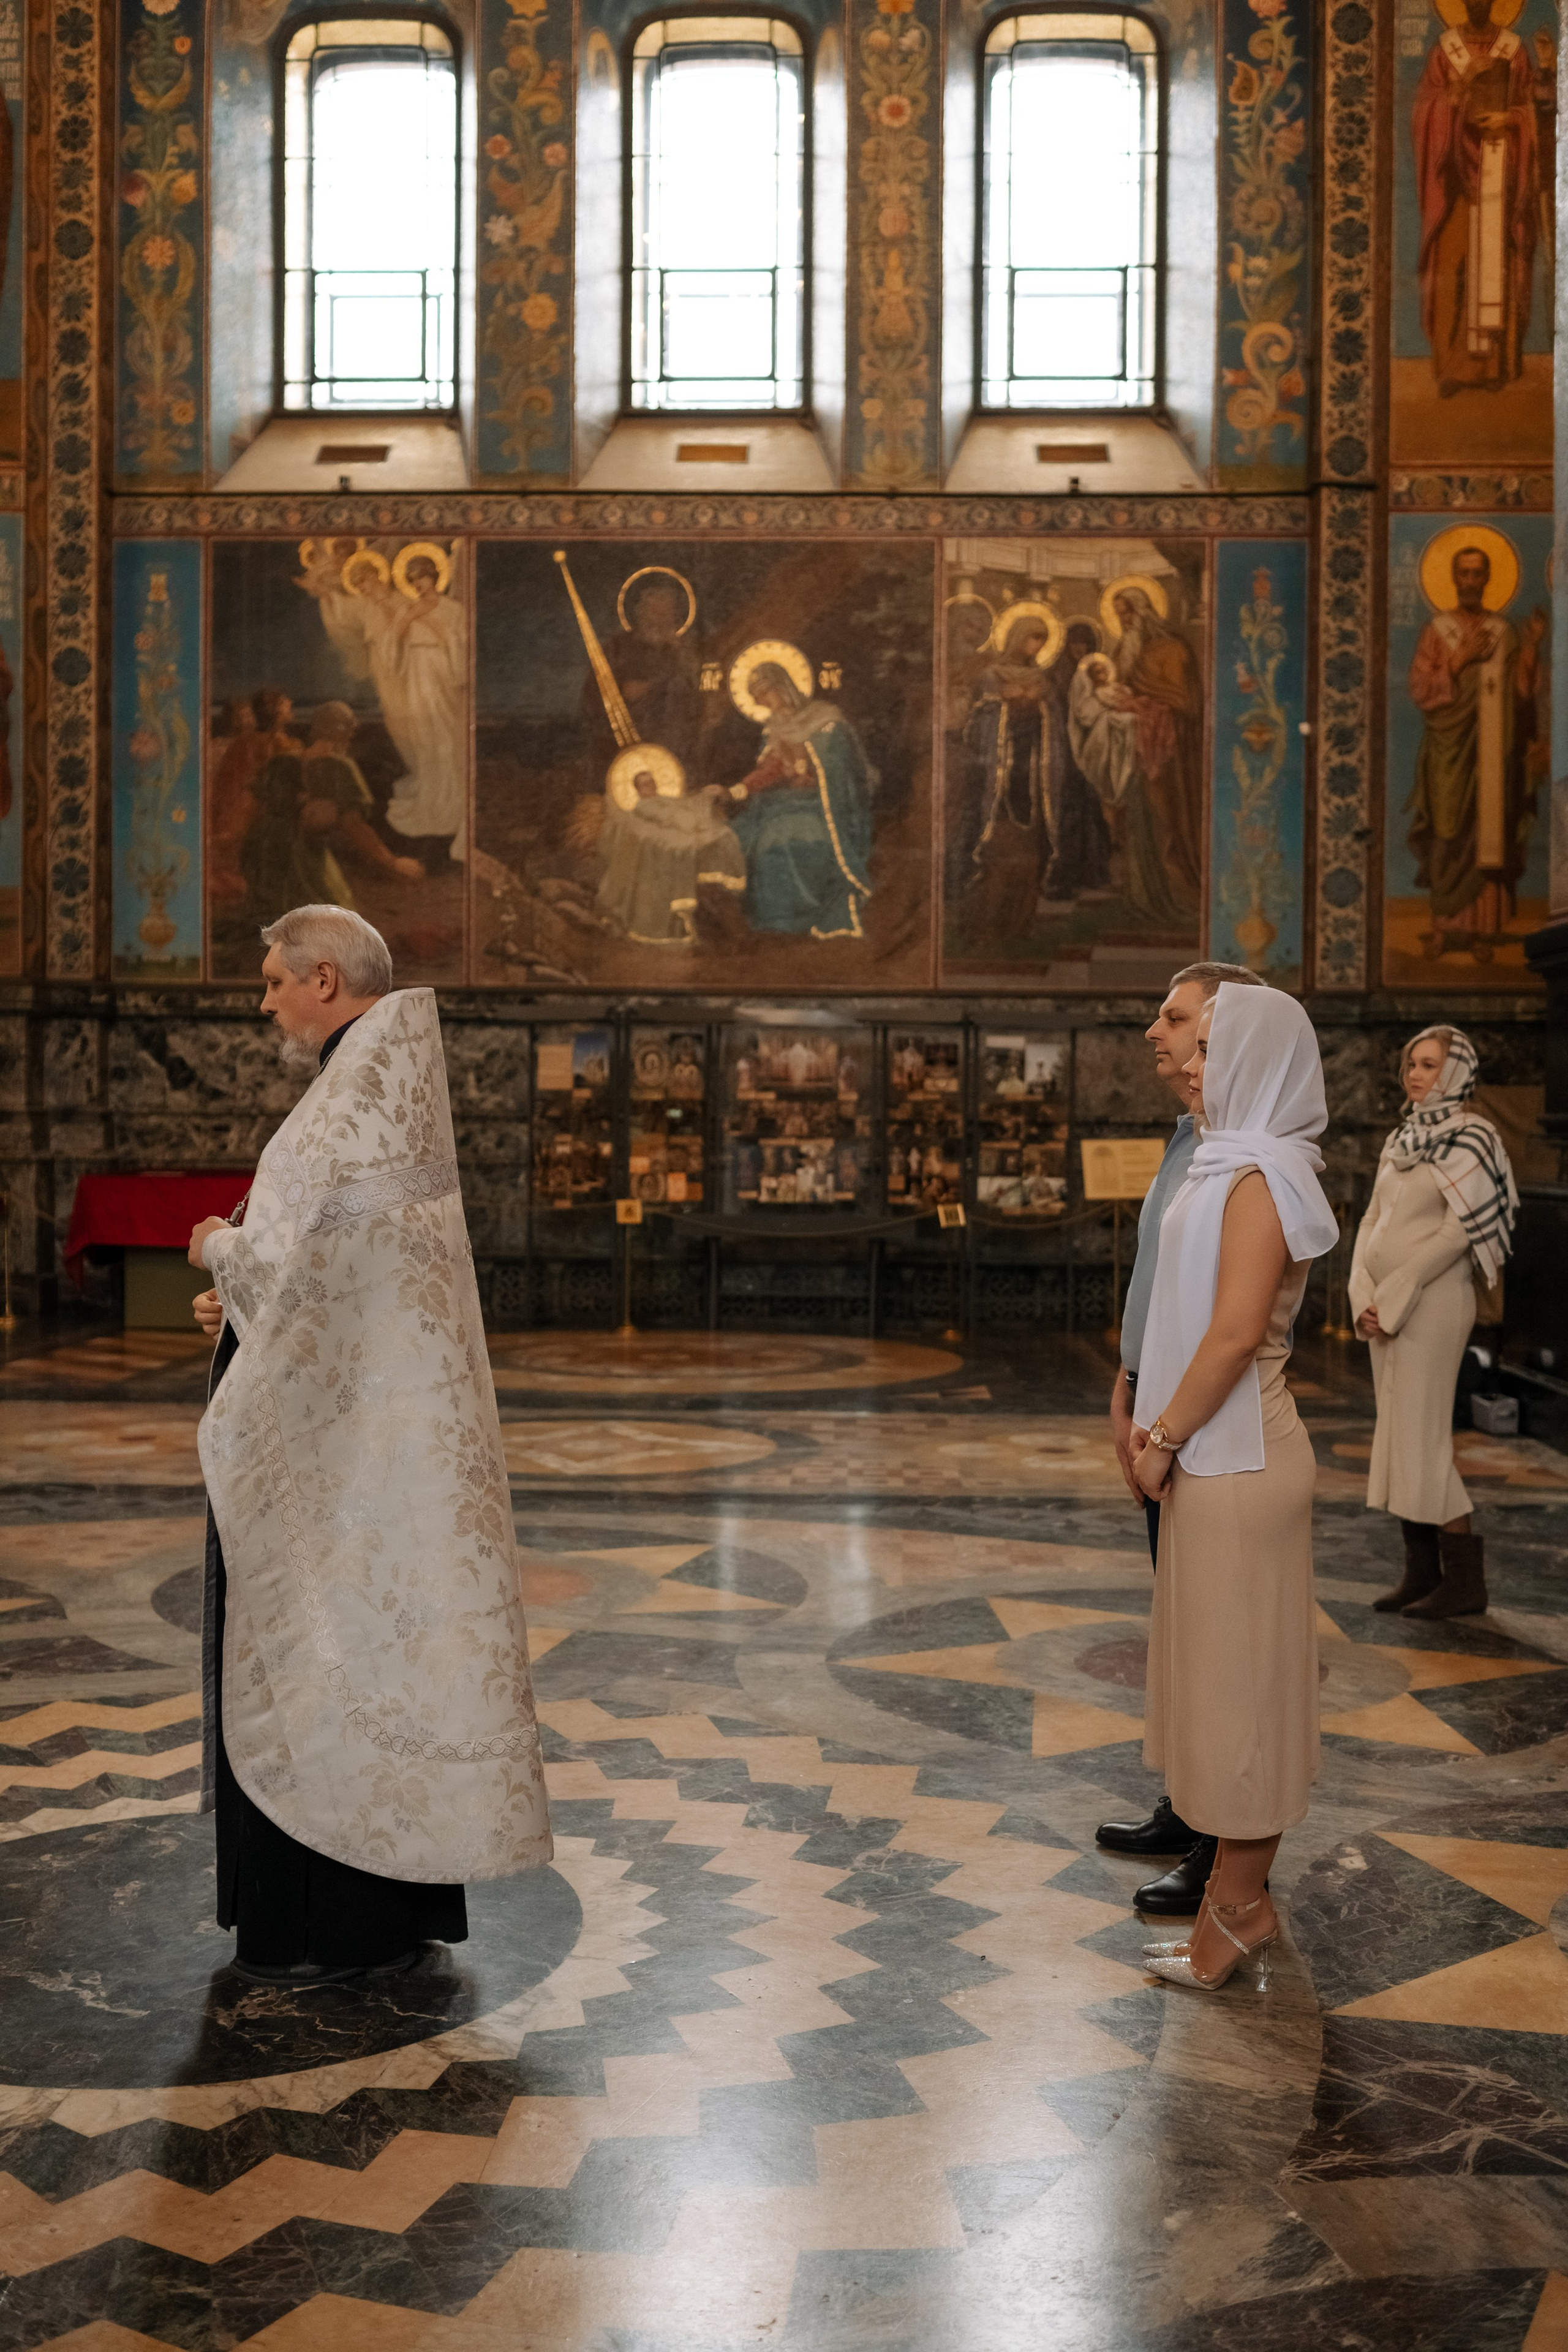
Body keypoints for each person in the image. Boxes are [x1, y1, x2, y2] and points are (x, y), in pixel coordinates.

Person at [187, 906, 550, 1985]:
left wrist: (216, 1250)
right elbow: (336, 1285)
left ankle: (320, 1923)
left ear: (326, 978)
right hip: (375, 1447)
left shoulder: (351, 1105)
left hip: (355, 1463)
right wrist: (245, 1303)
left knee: (319, 1647)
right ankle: (380, 1917)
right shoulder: (377, 1093)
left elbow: (294, 1271)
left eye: (273, 983)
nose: (265, 1002)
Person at [1131, 984, 1340, 1993]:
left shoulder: (1261, 1174)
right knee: (1220, 1688)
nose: (1192, 1063)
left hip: (1238, 1453)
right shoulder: (1220, 1164)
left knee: (1242, 1700)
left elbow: (1232, 1334)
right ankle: (1238, 1902)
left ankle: (1241, 1910)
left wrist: (1163, 1435)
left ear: (1258, 1060)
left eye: (1212, 1047)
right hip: (1213, 1455)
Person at [1097, 961, 1267, 1920]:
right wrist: (1125, 1384)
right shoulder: (1184, 1138)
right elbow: (1152, 1281)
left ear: (1224, 1028)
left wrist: (1164, 1421)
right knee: (1178, 1625)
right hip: (1155, 1401)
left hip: (1206, 1426)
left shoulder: (1245, 1156)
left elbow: (1231, 1321)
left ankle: (1219, 1843)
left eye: (1174, 1016)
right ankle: (1185, 1801)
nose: (1154, 1031)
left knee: (1217, 1642)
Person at [1349, 1025, 1518, 1619]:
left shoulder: (1475, 1138)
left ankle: (1464, 1582)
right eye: (1410, 1065)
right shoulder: (1401, 1138)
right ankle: (1421, 1573)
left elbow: (1455, 1234)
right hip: (1386, 1306)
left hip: (1434, 1306)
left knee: (1422, 1441)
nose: (1414, 1075)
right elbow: (1371, 1220)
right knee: (1397, 1437)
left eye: (1428, 1065)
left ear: (1456, 1074)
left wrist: (1393, 1298)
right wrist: (1361, 1293)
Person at [1406, 543, 1545, 960]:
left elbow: (1523, 694)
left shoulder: (1506, 632)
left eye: (1477, 574)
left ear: (1488, 579)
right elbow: (1419, 687)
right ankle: (1445, 928)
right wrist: (1457, 662)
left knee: (1489, 833)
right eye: (1463, 573)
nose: (1470, 582)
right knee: (1448, 832)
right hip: (1447, 753)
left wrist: (1534, 646)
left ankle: (1484, 930)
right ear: (1454, 578)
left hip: (1493, 754)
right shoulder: (1437, 631)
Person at [1411, 0, 1552, 398]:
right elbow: (1424, 107)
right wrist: (1455, 96)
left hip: (1503, 176)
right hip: (1456, 181)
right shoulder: (1445, 51)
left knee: (1498, 269)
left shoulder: (1514, 49)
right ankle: (1454, 370)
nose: (1476, 3)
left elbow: (1533, 105)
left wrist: (1513, 120)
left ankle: (1496, 366)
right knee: (1454, 268)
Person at [1068, 587, 1204, 930]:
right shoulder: (1125, 651)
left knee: (1164, 823)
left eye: (1128, 612)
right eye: (1119, 614)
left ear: (1145, 611)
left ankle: (1173, 895)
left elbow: (1187, 702)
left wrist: (1144, 698)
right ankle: (1141, 898)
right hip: (1134, 752)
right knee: (1136, 824)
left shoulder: (1170, 649)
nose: (1124, 620)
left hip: (1166, 757)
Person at [725, 658, 873, 938]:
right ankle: (774, 920)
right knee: (752, 837)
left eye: (764, 694)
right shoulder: (774, 730)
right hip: (782, 804)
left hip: (824, 806)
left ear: (783, 687)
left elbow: (843, 771)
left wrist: (813, 772)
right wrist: (736, 791)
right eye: (757, 698)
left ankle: (805, 917)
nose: (763, 704)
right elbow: (769, 772)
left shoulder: (826, 721)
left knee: (789, 837)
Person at [239, 699, 423, 921]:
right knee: (338, 914)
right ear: (341, 731)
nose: (351, 737)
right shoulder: (338, 767)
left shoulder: (283, 760)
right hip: (299, 853)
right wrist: (391, 862)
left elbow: (254, 806)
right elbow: (353, 825)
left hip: (262, 851)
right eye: (350, 731)